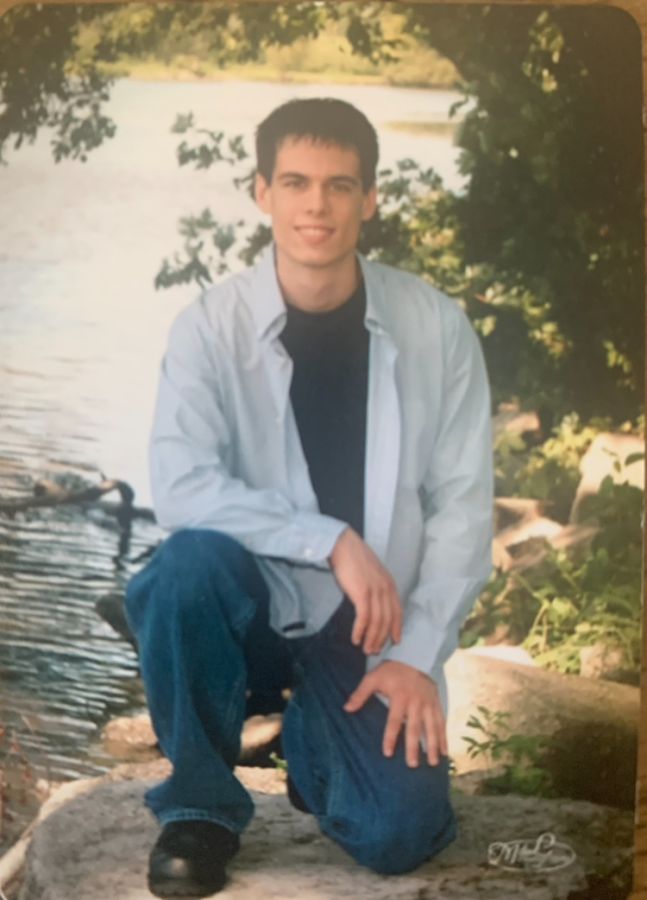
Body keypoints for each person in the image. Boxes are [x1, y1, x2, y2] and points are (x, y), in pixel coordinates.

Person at [125, 96, 493, 898]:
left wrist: (415, 657)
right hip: (250, 601)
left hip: (370, 624)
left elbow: (463, 510)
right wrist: (329, 538)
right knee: (181, 569)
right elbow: (181, 487)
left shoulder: (434, 328)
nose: (315, 205)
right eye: (294, 182)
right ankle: (199, 807)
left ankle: (310, 740)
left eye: (338, 185)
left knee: (398, 835)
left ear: (370, 198)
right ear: (262, 192)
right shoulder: (208, 327)